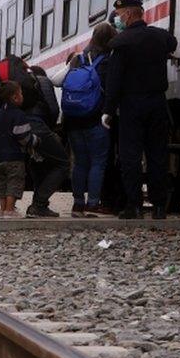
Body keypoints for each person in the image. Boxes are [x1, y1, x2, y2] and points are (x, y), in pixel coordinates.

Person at [103, 0, 178, 219]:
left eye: (119, 15)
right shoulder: (160, 37)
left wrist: (108, 109)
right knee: (158, 154)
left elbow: (114, 81)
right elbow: (172, 44)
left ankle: (134, 205)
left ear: (127, 14)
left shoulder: (121, 43)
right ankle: (159, 206)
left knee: (130, 156)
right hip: (157, 102)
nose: (118, 19)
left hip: (131, 105)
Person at [51, 22, 116, 217]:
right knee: (97, 162)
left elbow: (56, 80)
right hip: (96, 119)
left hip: (73, 120)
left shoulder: (78, 59)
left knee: (80, 162)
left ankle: (78, 204)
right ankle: (92, 204)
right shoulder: (108, 61)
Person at [0, 81, 39, 218]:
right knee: (14, 183)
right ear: (15, 97)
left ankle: (3, 209)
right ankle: (10, 210)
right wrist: (34, 140)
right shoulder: (19, 115)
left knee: (2, 184)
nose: (22, 96)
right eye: (21, 93)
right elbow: (23, 137)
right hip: (14, 156)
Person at [25, 66, 67, 218]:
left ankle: (39, 205)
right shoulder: (43, 80)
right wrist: (49, 129)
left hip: (22, 128)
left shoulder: (23, 85)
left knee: (38, 165)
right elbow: (53, 108)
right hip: (39, 126)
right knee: (62, 163)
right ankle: (39, 204)